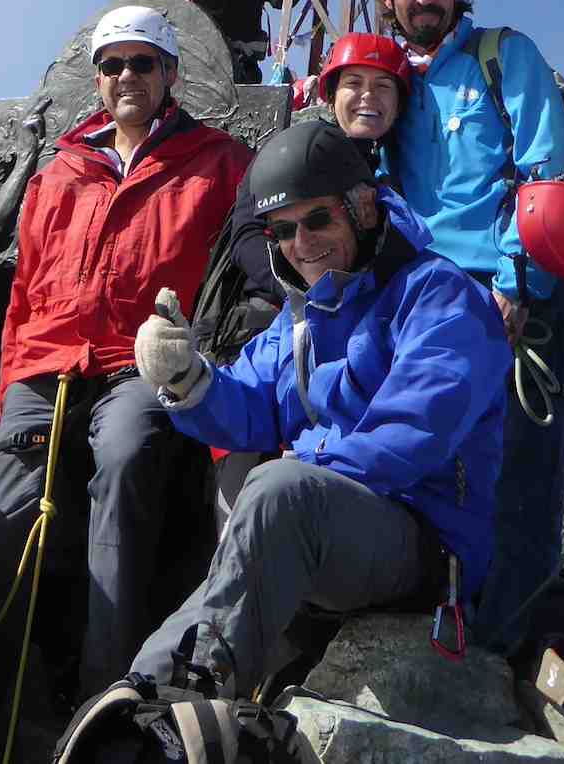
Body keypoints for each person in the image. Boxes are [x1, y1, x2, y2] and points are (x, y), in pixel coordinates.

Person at [127, 119, 510, 694]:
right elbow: (251, 404)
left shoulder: (442, 296)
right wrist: (187, 379)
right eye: (281, 230)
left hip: (428, 544)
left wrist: (302, 467)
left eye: (318, 219)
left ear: (362, 207)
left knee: (276, 494)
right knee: (189, 618)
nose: (300, 245)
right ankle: (135, 706)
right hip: (323, 523)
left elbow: (410, 436)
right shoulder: (302, 317)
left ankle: (194, 699)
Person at [0, 5, 251, 700]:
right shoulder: (60, 171)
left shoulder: (218, 162)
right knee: (8, 516)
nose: (126, 76)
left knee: (125, 468)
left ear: (171, 74)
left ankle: (107, 694)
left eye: (142, 63)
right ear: (97, 81)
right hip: (46, 361)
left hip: (139, 363)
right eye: (112, 65)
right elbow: (25, 287)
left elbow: (252, 257)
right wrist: (12, 385)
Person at [370, 0, 564, 657]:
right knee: (430, 467)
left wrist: (515, 280)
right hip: (421, 308)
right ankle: (434, 630)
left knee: (518, 478)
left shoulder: (504, 56)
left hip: (506, 300)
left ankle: (511, 654)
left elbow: (544, 172)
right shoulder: (382, 81)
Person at [198, 33, 412, 530]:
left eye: (384, 86)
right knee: (247, 476)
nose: (367, 97)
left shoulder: (399, 168)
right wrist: (312, 289)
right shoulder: (285, 151)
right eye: (353, 83)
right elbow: (248, 235)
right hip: (270, 325)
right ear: (329, 92)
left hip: (360, 338)